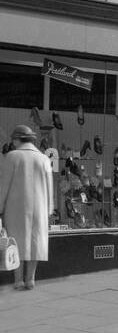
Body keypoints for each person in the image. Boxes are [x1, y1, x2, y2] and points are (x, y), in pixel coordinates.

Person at [0, 124, 54, 290]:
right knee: (35, 241)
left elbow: (4, 185)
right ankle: (31, 278)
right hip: (39, 207)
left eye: (13, 140)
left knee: (16, 242)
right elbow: (49, 186)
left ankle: (18, 279)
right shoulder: (44, 158)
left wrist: (0, 207)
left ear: (17, 139)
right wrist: (49, 209)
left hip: (15, 207)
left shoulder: (12, 157)